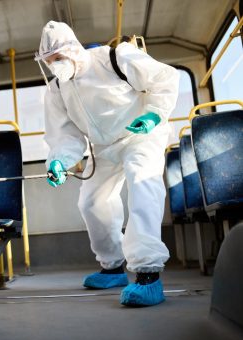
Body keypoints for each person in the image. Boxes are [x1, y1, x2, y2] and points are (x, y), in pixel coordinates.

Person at [35, 21, 179, 306]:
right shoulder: (57, 91)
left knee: (143, 185)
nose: (55, 67)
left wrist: (152, 115)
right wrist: (59, 162)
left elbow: (164, 79)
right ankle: (113, 266)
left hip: (141, 134)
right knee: (91, 202)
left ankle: (148, 274)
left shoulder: (115, 57)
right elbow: (67, 136)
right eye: (50, 62)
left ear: (74, 50)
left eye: (58, 59)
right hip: (104, 147)